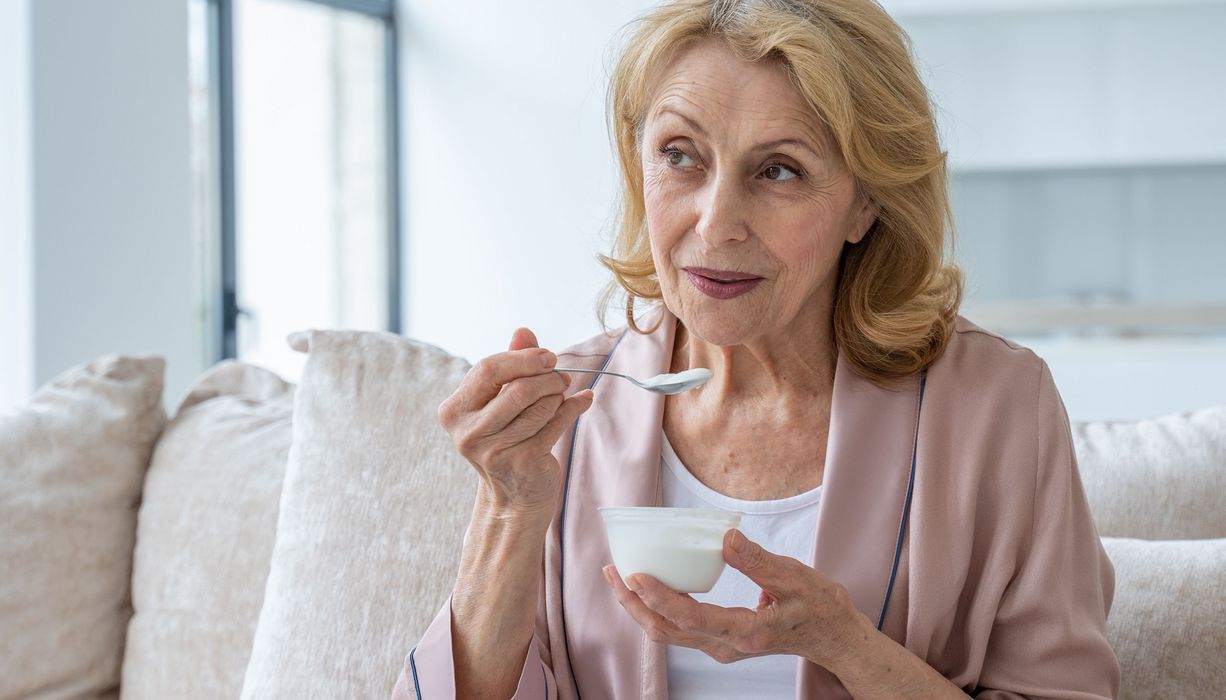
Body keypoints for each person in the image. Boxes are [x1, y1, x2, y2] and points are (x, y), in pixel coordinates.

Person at [394, 0, 1120, 697]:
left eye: (778, 170)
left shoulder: (993, 407)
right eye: (680, 156)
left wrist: (846, 645)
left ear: (866, 202)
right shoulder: (577, 411)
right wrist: (509, 511)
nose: (716, 226)